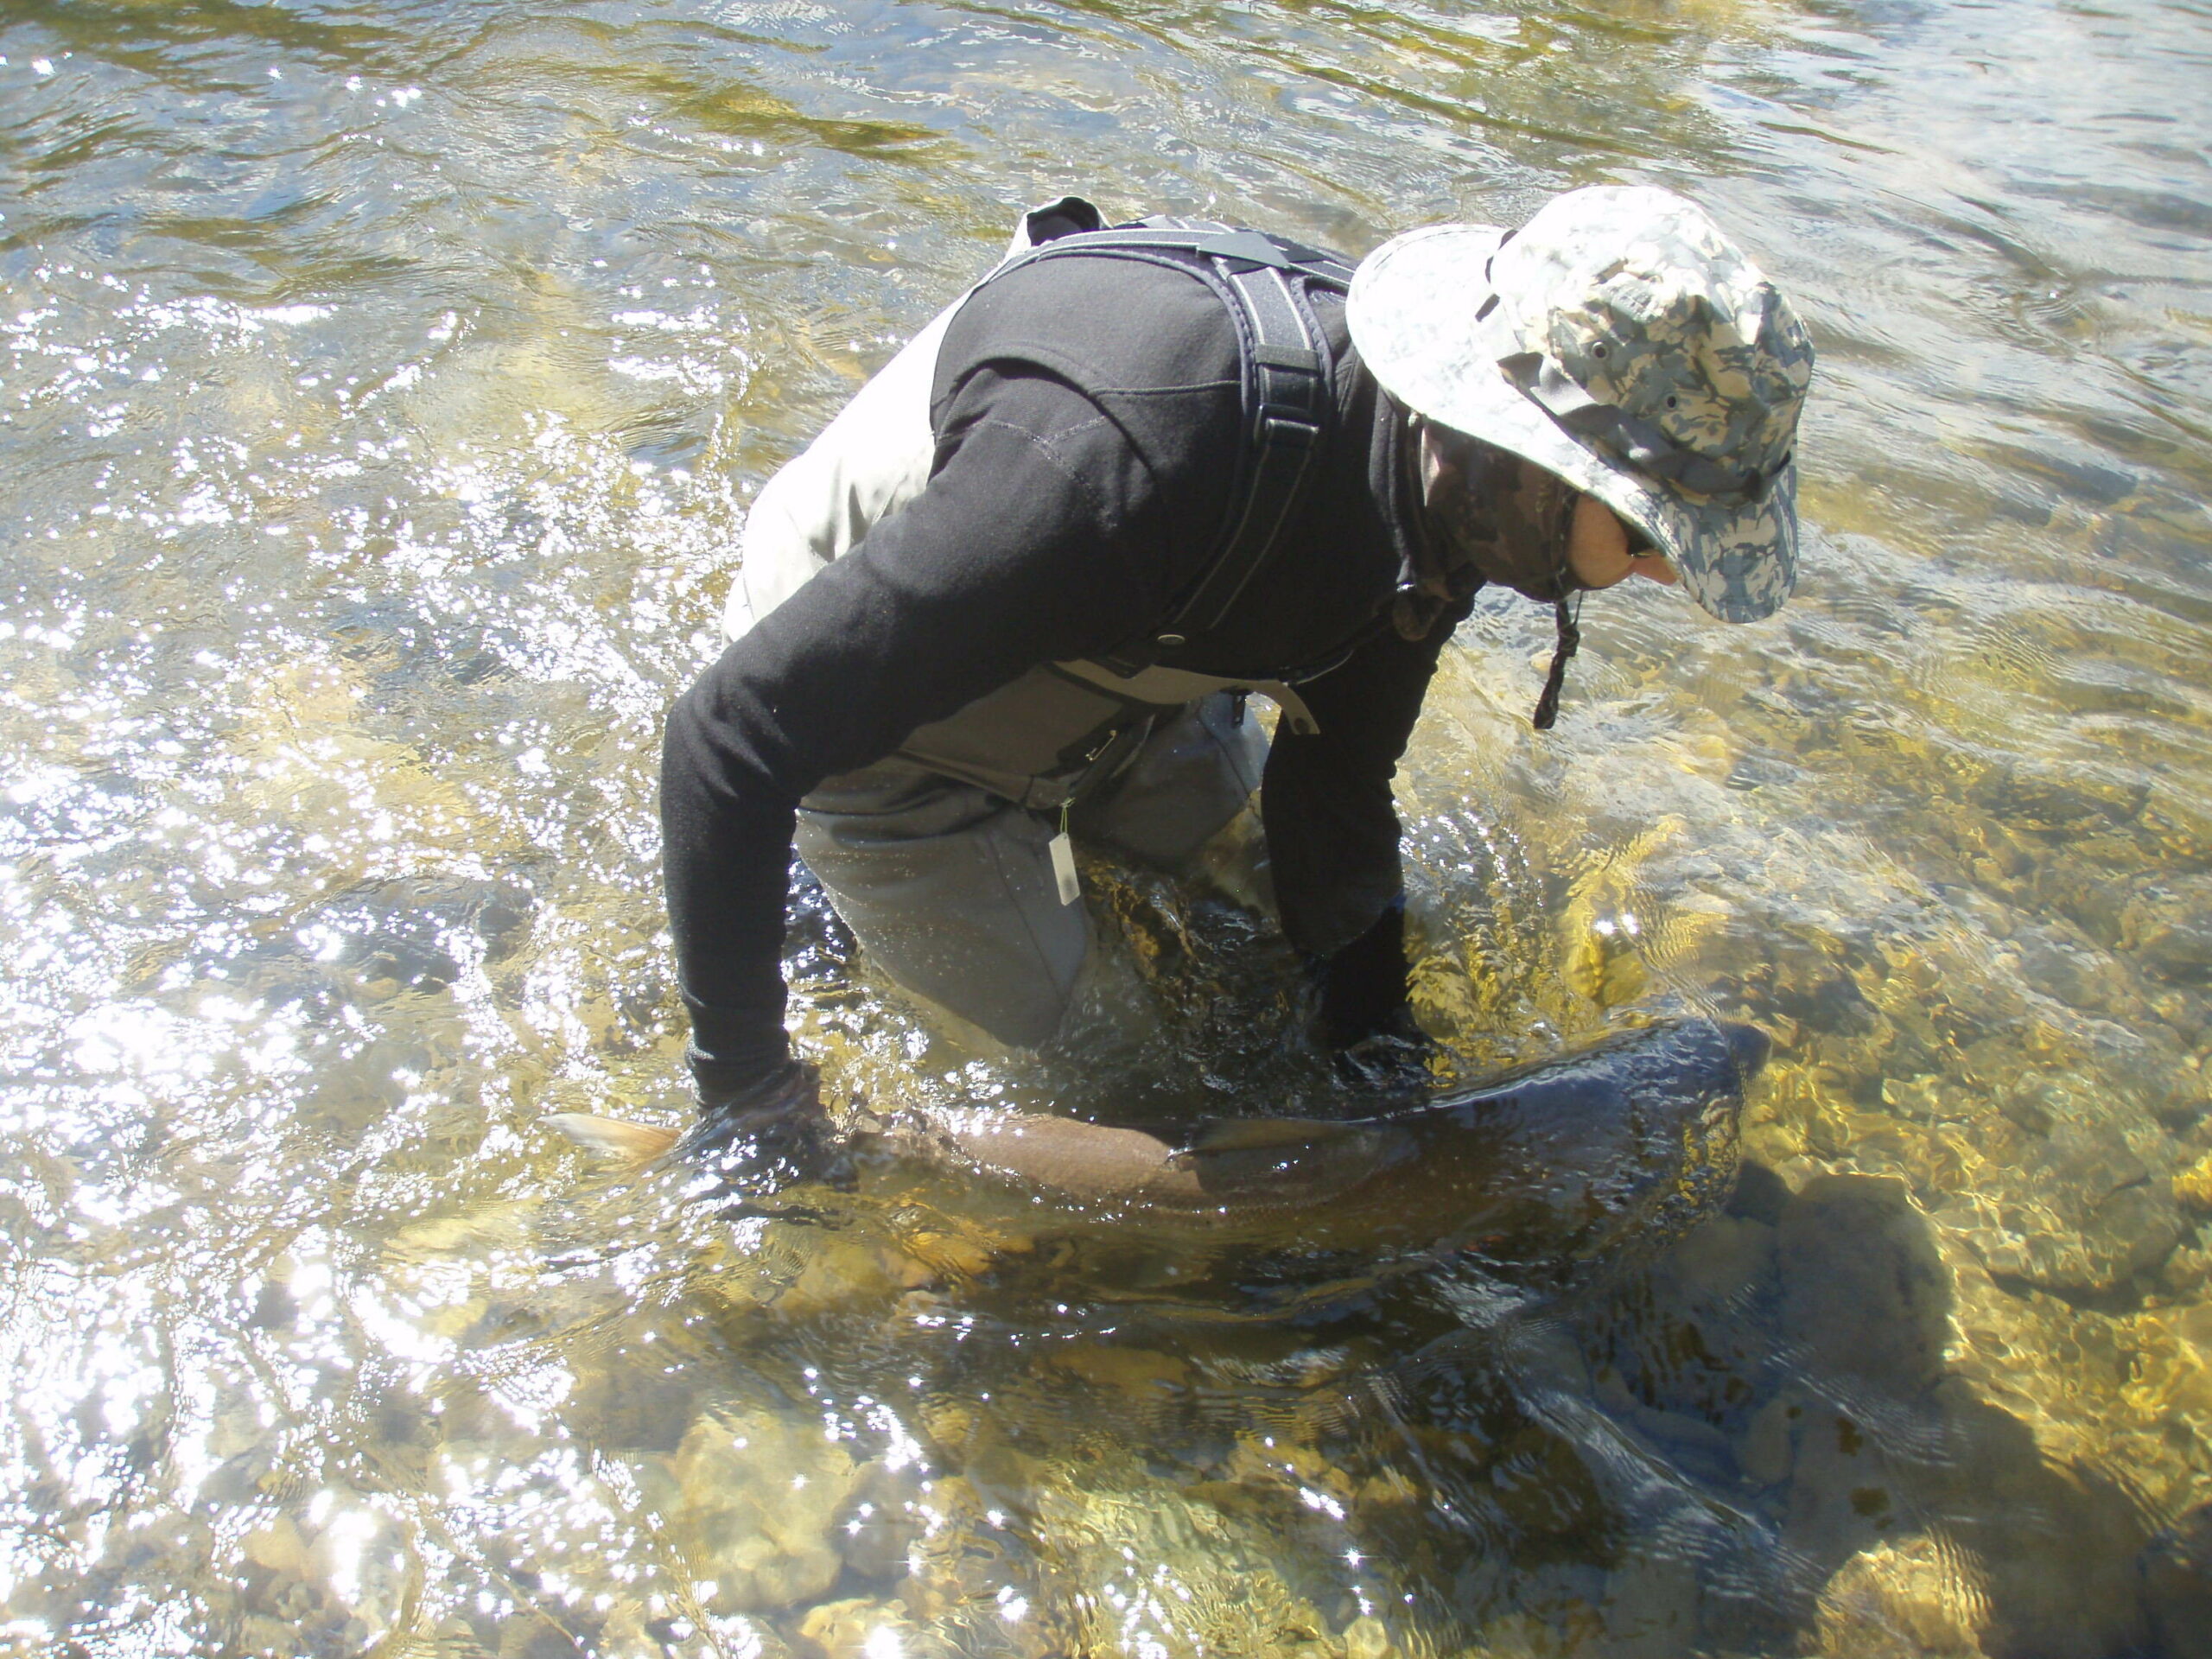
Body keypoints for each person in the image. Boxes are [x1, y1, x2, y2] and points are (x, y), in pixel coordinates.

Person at [658, 183, 1813, 1176]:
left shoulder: (1456, 492)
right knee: (1102, 1073)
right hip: (884, 721)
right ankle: (824, 905)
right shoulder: (1123, 469)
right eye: (1655, 532)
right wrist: (750, 1096)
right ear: (1525, 459)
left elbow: (1337, 783)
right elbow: (728, 736)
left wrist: (1381, 1068)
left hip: (1116, 649)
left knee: (1259, 935)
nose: (1666, 574)